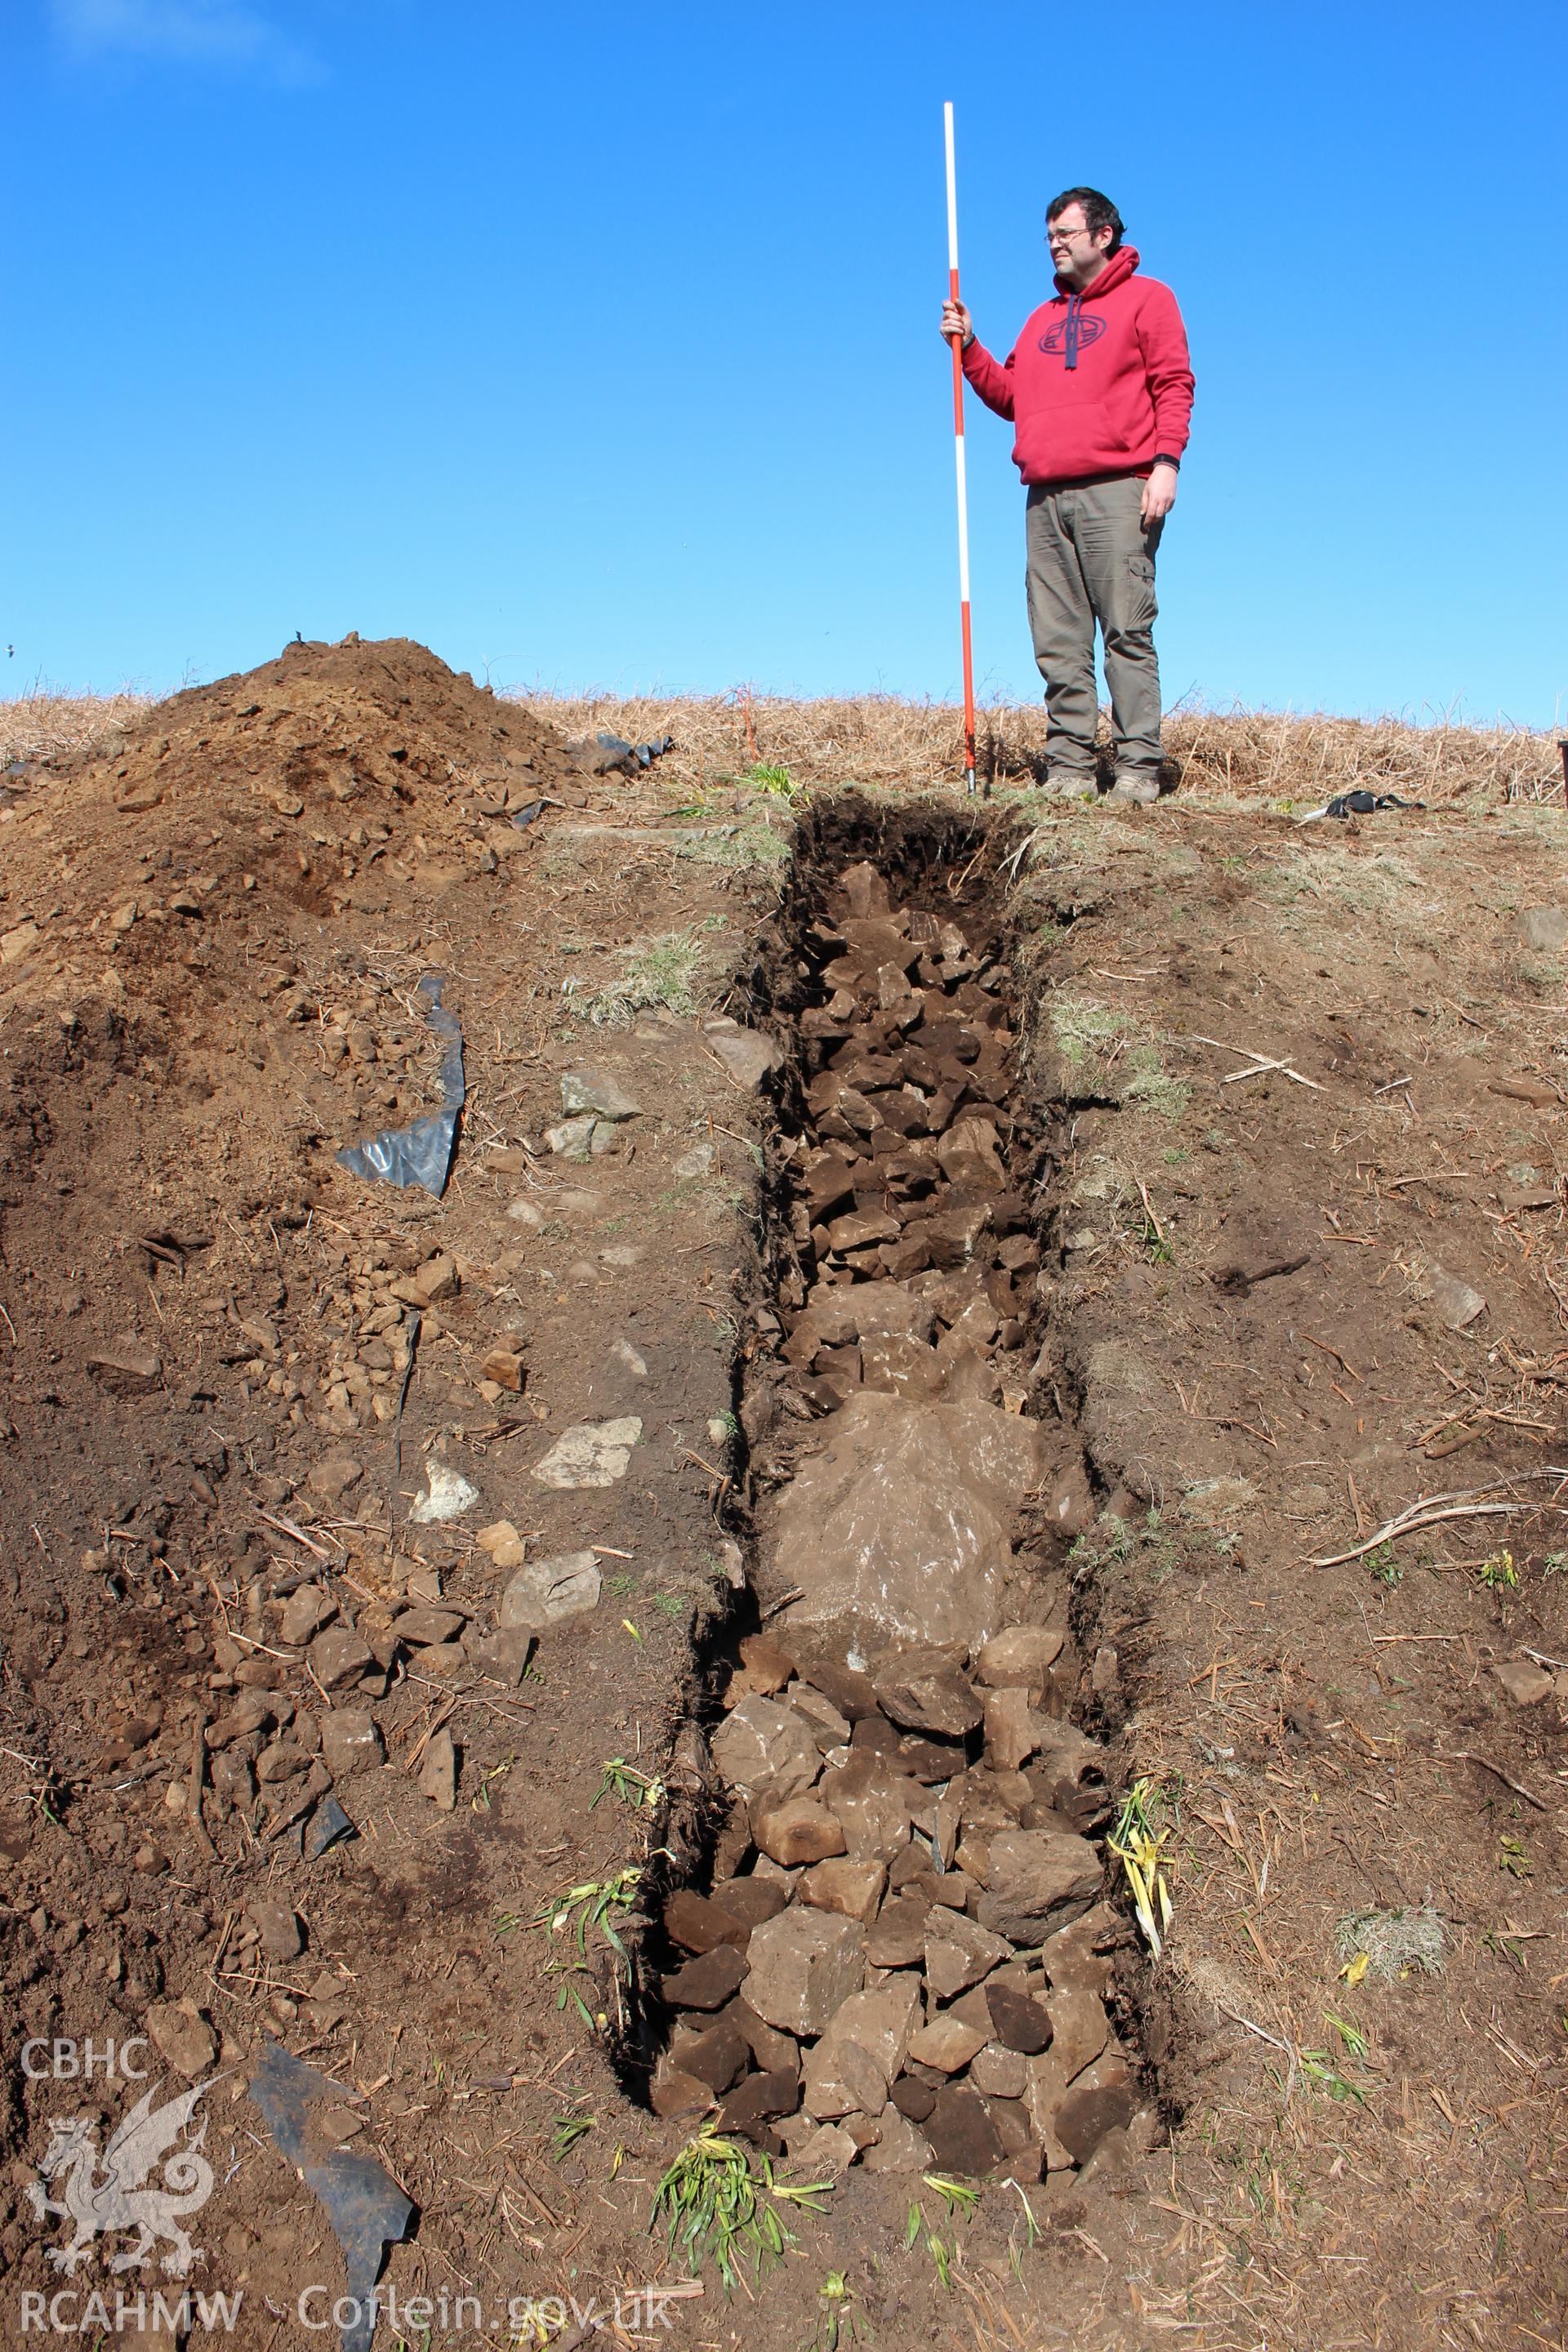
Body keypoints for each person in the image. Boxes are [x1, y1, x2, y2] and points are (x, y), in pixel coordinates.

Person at [942, 187, 1194, 805]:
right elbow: (1010, 397)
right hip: (1045, 497)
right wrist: (969, 347)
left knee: (1126, 631)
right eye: (1049, 236)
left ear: (1103, 235)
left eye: (1066, 234)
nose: (1054, 245)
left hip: (1119, 487)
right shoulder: (1040, 319)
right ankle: (1072, 768)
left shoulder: (1149, 299)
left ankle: (1137, 768)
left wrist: (1166, 464)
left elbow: (1174, 383)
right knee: (1058, 638)